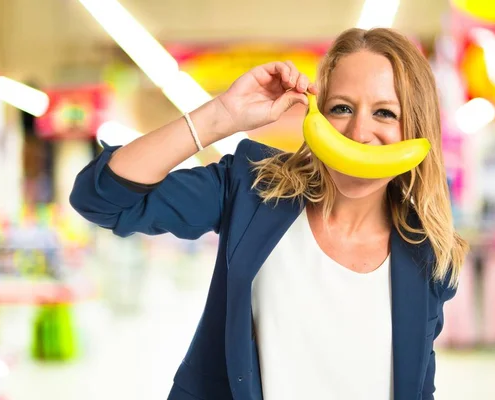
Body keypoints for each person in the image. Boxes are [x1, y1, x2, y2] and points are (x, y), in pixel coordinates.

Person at [70, 27, 468, 400]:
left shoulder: (429, 255)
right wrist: (220, 117)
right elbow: (100, 199)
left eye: (385, 113)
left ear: (414, 130)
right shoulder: (253, 188)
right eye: (341, 107)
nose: (358, 133)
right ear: (318, 115)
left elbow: (417, 387)